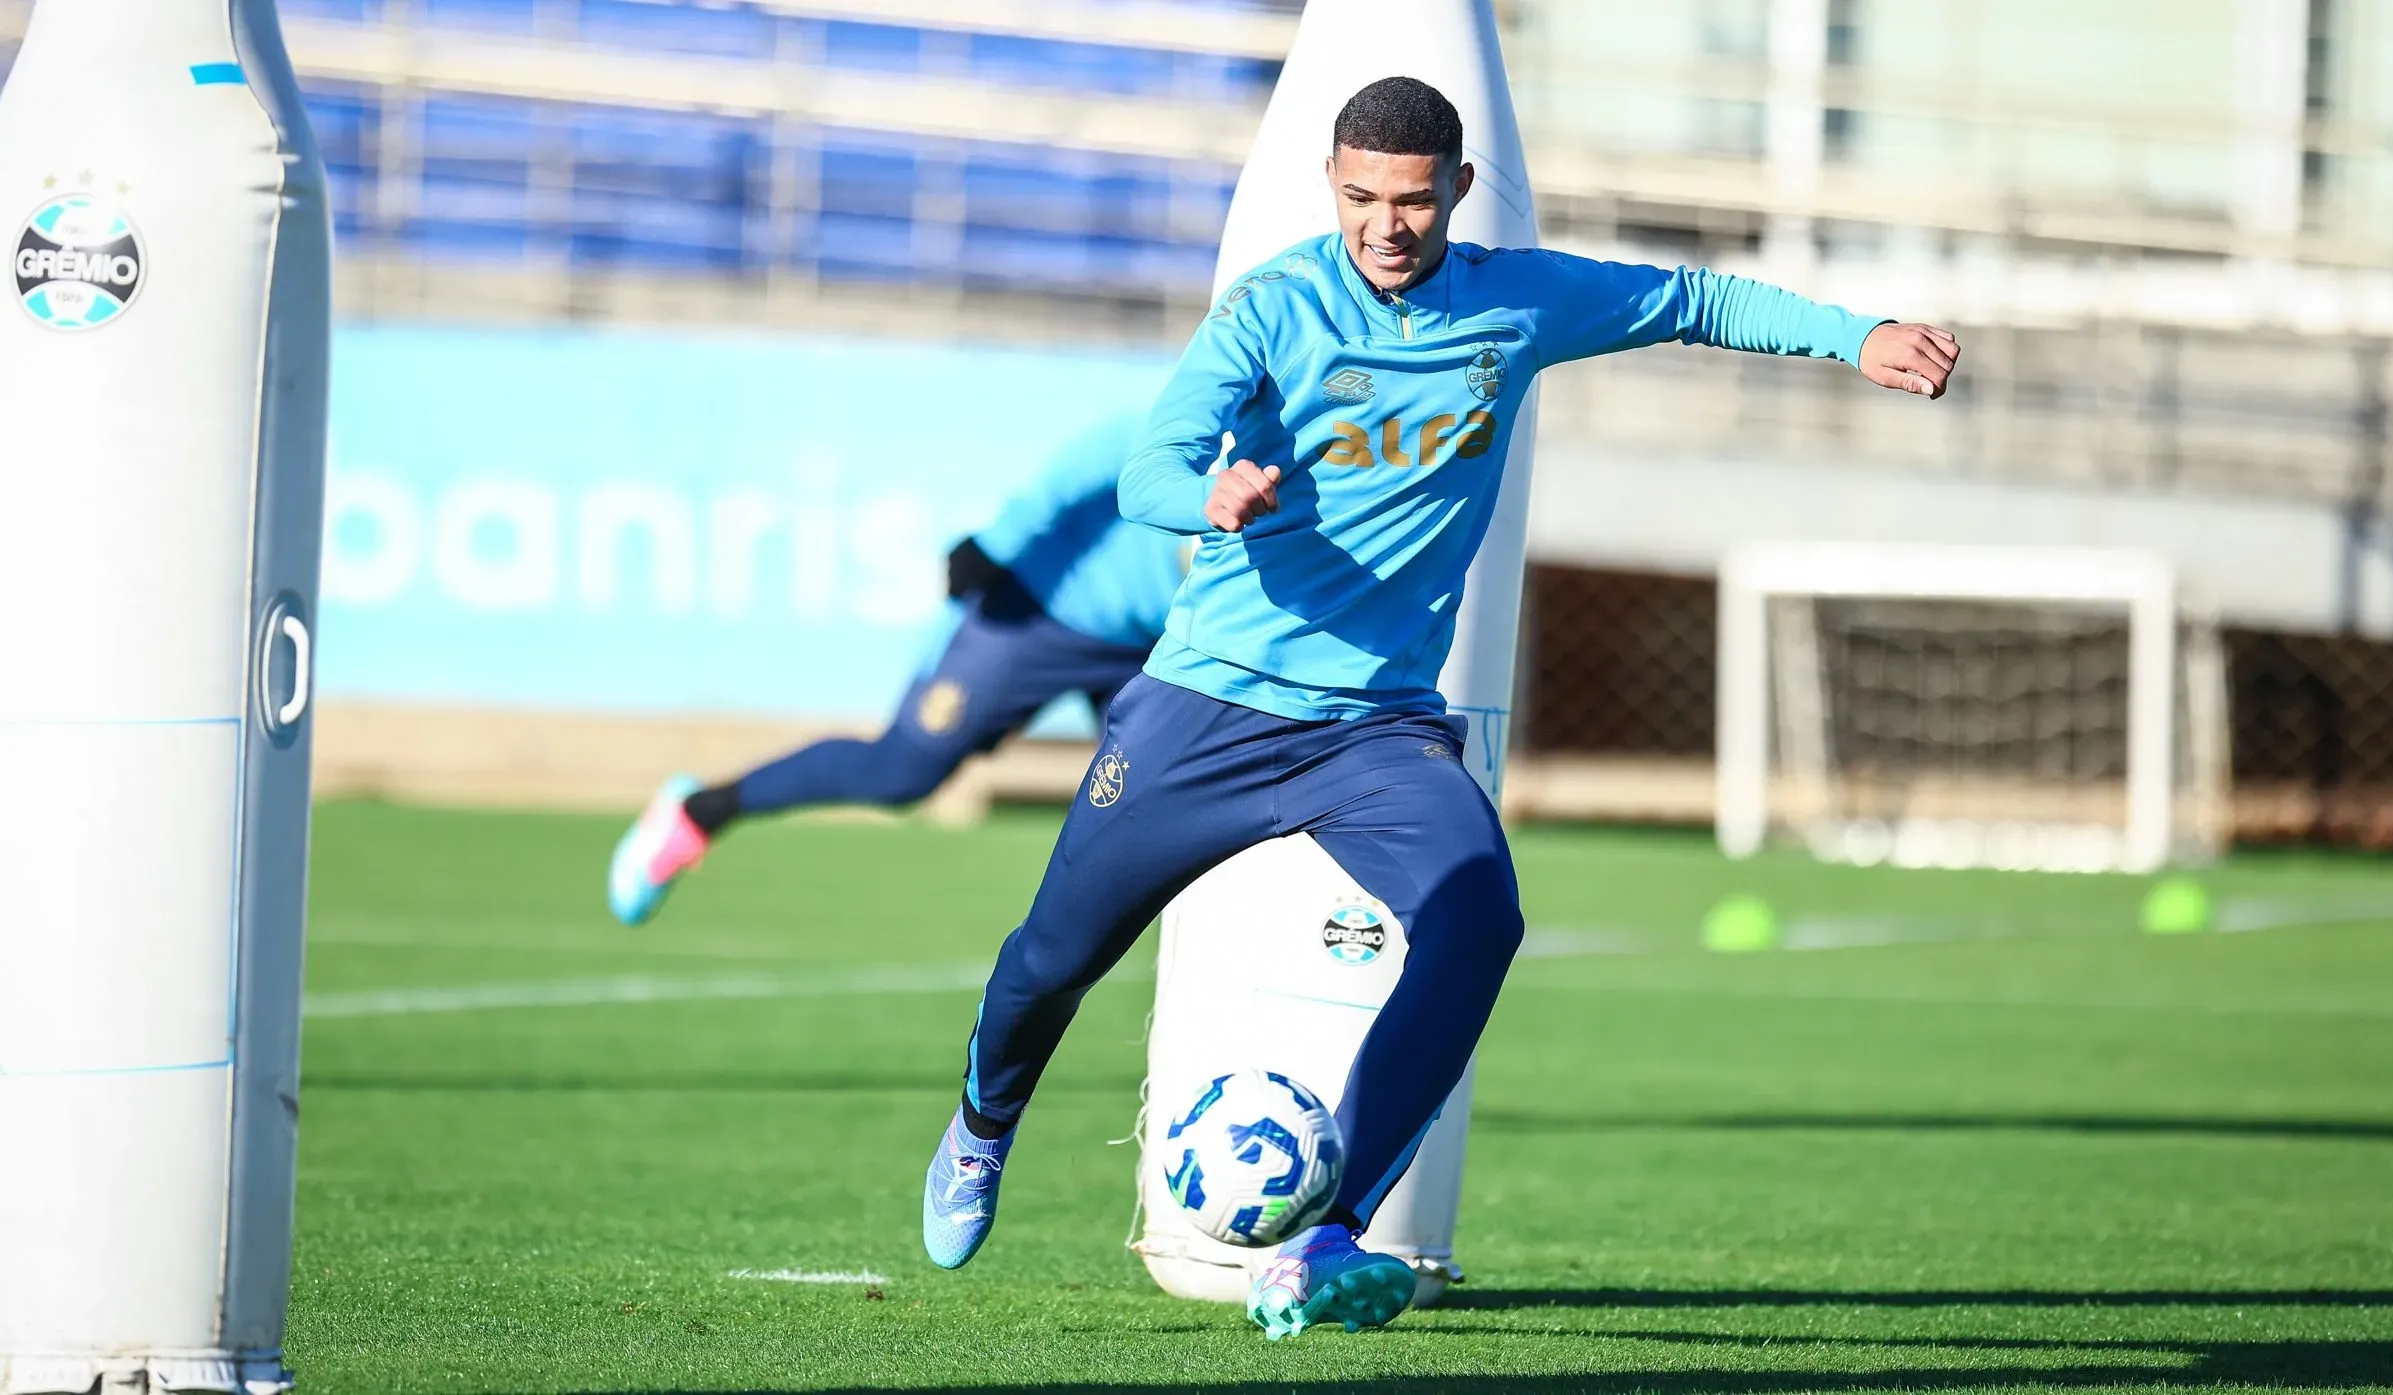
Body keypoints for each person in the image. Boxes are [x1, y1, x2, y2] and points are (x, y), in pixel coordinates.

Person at [919, 76, 1961, 1338]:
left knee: (1478, 920)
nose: (1385, 225)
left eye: (1412, 200)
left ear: (1458, 190)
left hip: (1375, 729)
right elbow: (1153, 465)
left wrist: (1853, 335)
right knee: (1050, 958)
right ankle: (982, 1127)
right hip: (1207, 707)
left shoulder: (1514, 302)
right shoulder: (1272, 308)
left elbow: (1689, 297)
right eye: (1361, 197)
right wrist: (1209, 497)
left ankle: (1326, 1235)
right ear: (1330, 184)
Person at [605, 415, 1187, 926]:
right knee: (900, 771)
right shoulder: (1213, 426)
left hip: (1141, 647)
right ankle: (698, 811)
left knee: (1157, 794)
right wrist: (995, 543)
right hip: (1033, 610)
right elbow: (1110, 448)